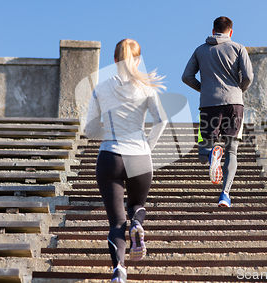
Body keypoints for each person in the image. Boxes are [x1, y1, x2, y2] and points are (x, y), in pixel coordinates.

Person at [85, 38, 167, 283]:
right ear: (138, 60)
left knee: (116, 221)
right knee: (136, 207)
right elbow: (161, 120)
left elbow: (89, 130)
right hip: (139, 156)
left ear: (114, 60)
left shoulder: (100, 88)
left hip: (110, 156)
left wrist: (110, 133)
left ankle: (119, 269)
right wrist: (146, 147)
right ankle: (137, 224)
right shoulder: (147, 87)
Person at [182, 16, 254, 208]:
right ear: (230, 32)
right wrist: (239, 90)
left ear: (213, 31)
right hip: (234, 104)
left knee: (202, 151)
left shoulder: (200, 50)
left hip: (208, 105)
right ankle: (225, 195)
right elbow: (248, 76)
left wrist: (204, 90)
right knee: (232, 151)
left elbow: (186, 77)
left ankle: (211, 153)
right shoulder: (238, 48)